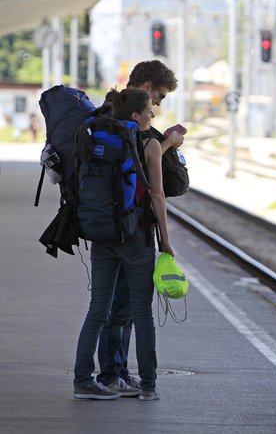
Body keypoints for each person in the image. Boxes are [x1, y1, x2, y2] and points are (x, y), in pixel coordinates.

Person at [73, 88, 173, 401]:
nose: (152, 115)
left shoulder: (103, 138)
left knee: (97, 310)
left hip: (104, 235)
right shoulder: (150, 144)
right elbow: (157, 195)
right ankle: (148, 386)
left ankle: (82, 382)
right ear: (135, 115)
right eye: (148, 111)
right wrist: (166, 243)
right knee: (142, 314)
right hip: (137, 237)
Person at [95, 60, 183, 397]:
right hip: (131, 227)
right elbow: (147, 175)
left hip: (108, 224)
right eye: (158, 98)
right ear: (145, 88)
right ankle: (113, 375)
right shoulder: (128, 122)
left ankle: (116, 371)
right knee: (122, 309)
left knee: (118, 308)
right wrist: (169, 144)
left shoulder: (106, 116)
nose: (157, 107)